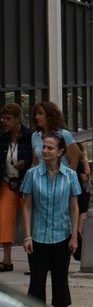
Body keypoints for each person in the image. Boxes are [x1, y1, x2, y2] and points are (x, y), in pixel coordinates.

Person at [20, 131, 81, 307]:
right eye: (43, 147)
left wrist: (74, 236)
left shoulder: (70, 175)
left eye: (49, 148)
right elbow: (27, 206)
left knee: (60, 278)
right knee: (37, 280)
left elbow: (74, 207)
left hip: (62, 234)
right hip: (38, 236)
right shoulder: (32, 174)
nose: (44, 151)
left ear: (60, 151)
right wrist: (27, 236)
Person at [0, 104, 33, 273]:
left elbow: (34, 158)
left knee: (30, 220)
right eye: (3, 118)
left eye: (8, 118)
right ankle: (6, 260)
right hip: (7, 182)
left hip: (25, 182)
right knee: (4, 219)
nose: (4, 122)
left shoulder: (29, 136)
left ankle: (34, 261)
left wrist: (25, 163)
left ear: (18, 119)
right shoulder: (3, 139)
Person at [30, 101, 81, 170]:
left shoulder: (64, 134)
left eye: (40, 114)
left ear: (50, 116)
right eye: (36, 114)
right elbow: (35, 162)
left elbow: (73, 161)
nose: (37, 117)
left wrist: (67, 179)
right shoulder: (35, 135)